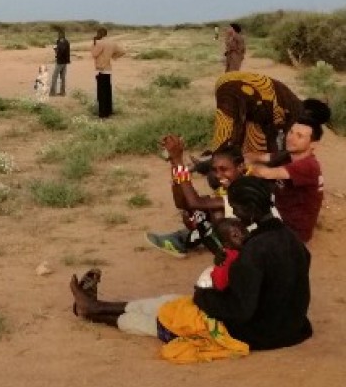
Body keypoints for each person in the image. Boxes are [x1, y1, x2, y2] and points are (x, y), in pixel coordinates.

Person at [71, 175, 313, 354]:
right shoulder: (291, 239)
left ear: (250, 210)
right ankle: (97, 305)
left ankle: (92, 312)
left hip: (259, 334)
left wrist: (203, 296)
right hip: (291, 327)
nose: (234, 214)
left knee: (164, 320)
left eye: (236, 208)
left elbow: (240, 311)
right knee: (169, 303)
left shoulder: (254, 251)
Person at [146, 138, 247, 259]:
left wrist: (178, 161)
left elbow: (194, 202)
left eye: (224, 169)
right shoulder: (229, 188)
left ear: (241, 167)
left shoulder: (246, 191)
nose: (218, 175)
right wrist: (174, 163)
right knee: (193, 215)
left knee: (212, 213)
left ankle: (227, 259)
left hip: (253, 247)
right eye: (215, 170)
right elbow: (182, 203)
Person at [243, 105, 330, 244]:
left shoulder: (308, 165)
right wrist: (244, 156)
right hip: (279, 214)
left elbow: (267, 173)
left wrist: (241, 166)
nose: (291, 138)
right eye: (291, 132)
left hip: (293, 233)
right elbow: (264, 157)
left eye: (299, 136)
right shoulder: (291, 155)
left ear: (313, 145)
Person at [207, 72, 327, 156]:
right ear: (310, 116)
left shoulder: (289, 99)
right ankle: (213, 166)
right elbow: (281, 141)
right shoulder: (295, 112)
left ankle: (209, 161)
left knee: (244, 136)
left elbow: (266, 129)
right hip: (235, 87)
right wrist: (277, 158)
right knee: (226, 133)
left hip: (227, 80)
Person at [195, 218, 248, 291]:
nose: (242, 236)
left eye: (243, 231)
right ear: (227, 244)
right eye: (235, 235)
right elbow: (221, 284)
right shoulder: (230, 256)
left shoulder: (245, 248)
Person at [90, 27, 124, 118]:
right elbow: (122, 51)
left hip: (101, 69)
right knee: (108, 92)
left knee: (101, 93)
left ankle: (103, 113)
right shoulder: (112, 43)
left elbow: (94, 54)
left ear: (100, 34)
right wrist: (113, 57)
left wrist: (94, 43)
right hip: (108, 69)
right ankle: (109, 111)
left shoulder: (100, 43)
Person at [50, 29, 71, 97]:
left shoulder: (61, 42)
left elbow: (60, 51)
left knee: (54, 77)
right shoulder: (66, 41)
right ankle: (62, 92)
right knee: (63, 77)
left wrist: (56, 50)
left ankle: (53, 93)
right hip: (65, 62)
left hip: (60, 62)